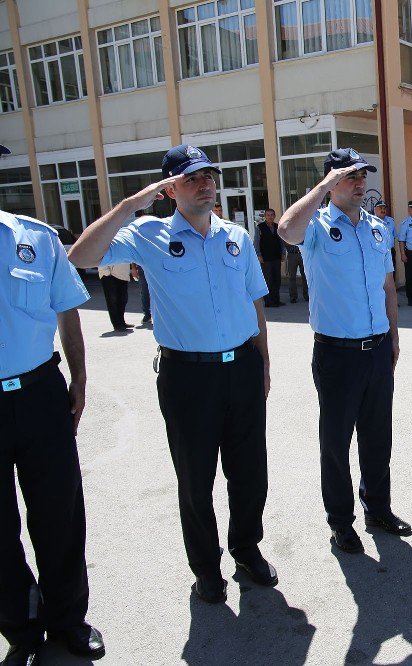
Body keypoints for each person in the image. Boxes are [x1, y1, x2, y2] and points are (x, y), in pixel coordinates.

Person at [68, 144, 277, 605]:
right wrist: (128, 206)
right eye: (191, 179)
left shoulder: (236, 237)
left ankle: (247, 548)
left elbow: (255, 300)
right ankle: (207, 569)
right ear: (169, 190)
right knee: (195, 478)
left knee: (249, 472)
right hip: (188, 377)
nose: (205, 186)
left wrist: (263, 362)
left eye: (208, 177)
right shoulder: (147, 232)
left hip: (241, 368)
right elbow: (82, 256)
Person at [278, 147, 410, 554]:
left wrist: (394, 335)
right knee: (336, 442)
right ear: (331, 182)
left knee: (377, 436)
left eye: (362, 175)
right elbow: (285, 230)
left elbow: (387, 286)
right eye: (350, 176)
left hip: (376, 349)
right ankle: (341, 521)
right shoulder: (315, 227)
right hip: (337, 354)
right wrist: (321, 187)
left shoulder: (377, 228)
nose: (359, 182)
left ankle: (379, 508)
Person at [0, 162, 106, 664]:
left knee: (59, 512)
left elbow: (68, 309)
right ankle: (20, 620)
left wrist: (80, 377)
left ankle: (68, 618)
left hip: (41, 392)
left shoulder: (36, 239)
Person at [256, 208, 285, 307]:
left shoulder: (277, 227)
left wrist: (283, 253)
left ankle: (276, 300)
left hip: (276, 257)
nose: (270, 217)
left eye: (272, 215)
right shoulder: (260, 227)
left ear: (274, 216)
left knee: (277, 279)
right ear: (265, 216)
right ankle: (268, 301)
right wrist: (259, 255)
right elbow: (256, 242)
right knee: (268, 280)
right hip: (265, 258)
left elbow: (281, 241)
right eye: (268, 215)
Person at [98, 262, 132, 332]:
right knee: (112, 300)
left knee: (123, 299)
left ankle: (122, 322)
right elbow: (101, 256)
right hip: (109, 275)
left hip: (123, 274)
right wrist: (106, 272)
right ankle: (117, 325)